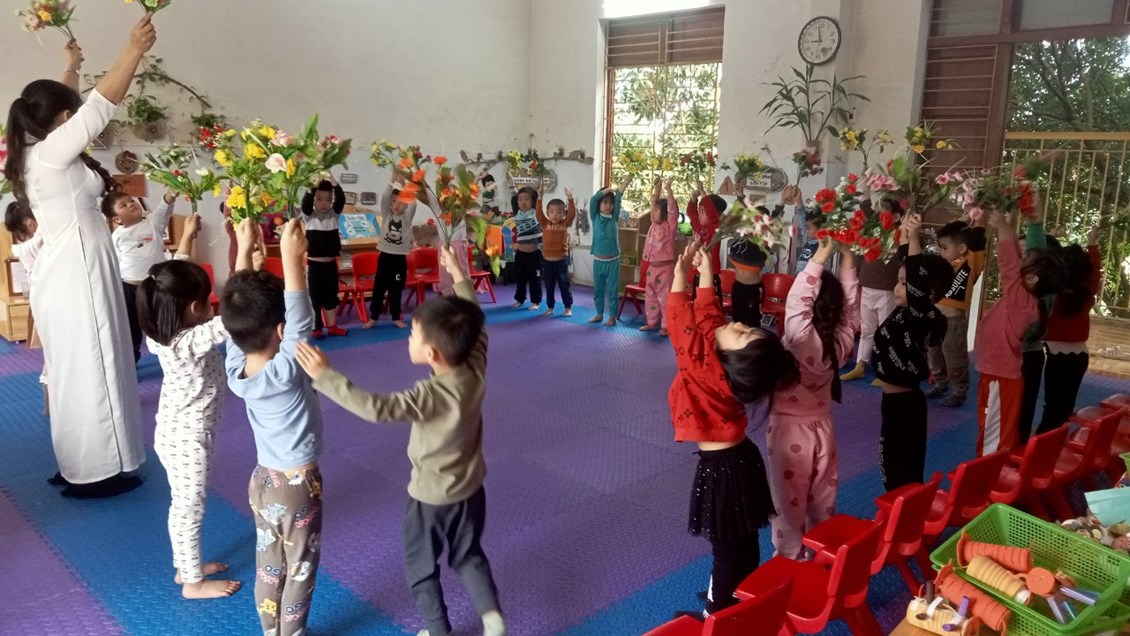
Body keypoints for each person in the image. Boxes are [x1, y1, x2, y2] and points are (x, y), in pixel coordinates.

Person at [295, 245, 506, 636]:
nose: (408, 339)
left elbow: (377, 408)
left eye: (413, 335)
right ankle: (492, 617)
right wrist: (458, 273)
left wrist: (326, 377)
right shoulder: (475, 365)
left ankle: (437, 630)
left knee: (420, 566)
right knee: (468, 555)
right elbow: (476, 322)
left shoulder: (429, 395)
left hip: (430, 499)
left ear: (432, 353)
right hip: (471, 491)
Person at [5, 18, 156, 498]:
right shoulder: (51, 153)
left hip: (68, 268)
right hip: (79, 270)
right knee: (96, 363)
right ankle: (97, 471)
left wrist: (71, 65)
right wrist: (132, 49)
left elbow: (70, 105)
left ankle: (80, 462)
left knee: (76, 367)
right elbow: (99, 105)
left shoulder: (34, 151)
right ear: (62, 119)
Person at [667, 240, 789, 615]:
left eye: (742, 334)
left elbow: (681, 323)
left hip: (721, 472)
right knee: (743, 540)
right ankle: (740, 596)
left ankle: (716, 615)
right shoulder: (720, 363)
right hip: (739, 461)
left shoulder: (705, 369)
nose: (737, 324)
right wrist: (706, 274)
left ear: (732, 359)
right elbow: (709, 321)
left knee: (725, 549)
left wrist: (679, 276)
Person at [223, 218, 324, 634]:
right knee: (300, 567)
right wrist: (290, 259)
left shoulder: (236, 366)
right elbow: (300, 321)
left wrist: (244, 251)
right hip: (297, 485)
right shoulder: (286, 370)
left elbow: (235, 313)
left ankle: (271, 630)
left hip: (262, 480)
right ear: (280, 332)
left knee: (269, 563)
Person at [137, 213, 242, 599]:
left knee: (188, 504)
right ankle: (192, 581)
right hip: (188, 438)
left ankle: (188, 565)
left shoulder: (162, 330)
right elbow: (234, 315)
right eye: (205, 299)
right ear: (193, 309)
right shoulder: (188, 343)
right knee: (189, 507)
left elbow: (170, 274)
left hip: (177, 431)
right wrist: (244, 251)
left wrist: (187, 237)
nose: (211, 302)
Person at [767, 237, 859, 559]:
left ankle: (790, 559)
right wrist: (847, 258)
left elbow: (797, 299)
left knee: (787, 505)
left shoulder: (799, 339)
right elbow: (850, 311)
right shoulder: (841, 343)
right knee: (821, 500)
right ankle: (820, 555)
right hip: (823, 431)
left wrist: (822, 254)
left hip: (788, 434)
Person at [870, 214, 953, 491]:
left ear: (927, 292)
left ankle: (905, 515)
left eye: (905, 284)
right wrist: (905, 238)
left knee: (901, 472)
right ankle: (902, 512)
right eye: (899, 281)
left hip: (905, 406)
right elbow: (910, 269)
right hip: (894, 403)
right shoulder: (907, 312)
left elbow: (917, 282)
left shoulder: (922, 316)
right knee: (891, 467)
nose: (897, 287)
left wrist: (916, 238)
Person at [973, 210, 1063, 456]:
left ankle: (989, 479)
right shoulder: (1022, 298)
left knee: (994, 440)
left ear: (1032, 277)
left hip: (1001, 379)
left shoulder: (1022, 302)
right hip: (995, 375)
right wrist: (1009, 227)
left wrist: (1003, 228)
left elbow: (1008, 266)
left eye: (1026, 258)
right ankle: (990, 474)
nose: (1020, 257)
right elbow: (1013, 265)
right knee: (991, 431)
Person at [1035, 227, 1102, 434]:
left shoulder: (1051, 292)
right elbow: (1095, 272)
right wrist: (1092, 242)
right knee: (1065, 410)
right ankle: (1055, 444)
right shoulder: (1086, 292)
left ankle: (1042, 445)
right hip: (1080, 356)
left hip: (1057, 358)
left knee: (1052, 409)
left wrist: (1051, 238)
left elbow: (1040, 265)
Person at [106, 189, 178, 362]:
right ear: (117, 219)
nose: (131, 204)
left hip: (155, 286)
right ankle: (132, 360)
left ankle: (172, 356)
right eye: (123, 205)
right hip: (129, 288)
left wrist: (173, 192)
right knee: (132, 329)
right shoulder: (116, 237)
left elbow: (164, 205)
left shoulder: (153, 222)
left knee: (163, 322)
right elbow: (114, 262)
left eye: (131, 200)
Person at [842, 200, 903, 381]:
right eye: (877, 212)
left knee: (886, 331)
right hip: (867, 287)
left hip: (887, 290)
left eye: (882, 212)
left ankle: (886, 372)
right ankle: (860, 365)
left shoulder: (899, 236)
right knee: (866, 330)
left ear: (896, 217)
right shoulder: (872, 233)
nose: (877, 216)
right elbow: (860, 255)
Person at [926, 220, 986, 407]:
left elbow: (978, 243)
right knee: (934, 354)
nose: (941, 252)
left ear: (961, 248)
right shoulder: (939, 266)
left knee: (954, 356)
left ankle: (959, 390)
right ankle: (940, 383)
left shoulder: (970, 264)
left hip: (954, 322)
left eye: (945, 248)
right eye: (940, 247)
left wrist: (979, 219)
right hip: (935, 319)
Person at [300, 174, 348, 338]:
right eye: (319, 199)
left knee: (330, 296)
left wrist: (333, 180)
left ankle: (332, 326)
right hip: (314, 266)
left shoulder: (334, 215)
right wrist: (314, 185)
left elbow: (341, 199)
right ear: (314, 200)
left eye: (328, 200)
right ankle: (316, 328)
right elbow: (305, 203)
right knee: (314, 297)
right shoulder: (309, 216)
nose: (323, 203)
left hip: (330, 265)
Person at [365, 180, 417, 329]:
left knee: (396, 289)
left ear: (406, 205)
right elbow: (385, 198)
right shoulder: (386, 214)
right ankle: (374, 317)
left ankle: (396, 317)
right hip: (385, 257)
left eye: (401, 202)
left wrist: (408, 186)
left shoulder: (406, 218)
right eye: (394, 201)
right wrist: (391, 183)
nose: (397, 205)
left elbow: (413, 204)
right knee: (378, 288)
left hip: (399, 259)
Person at [588, 176, 632, 326]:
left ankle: (612, 317)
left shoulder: (614, 217)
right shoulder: (595, 217)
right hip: (598, 261)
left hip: (613, 261)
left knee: (612, 291)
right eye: (605, 202)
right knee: (598, 290)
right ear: (599, 204)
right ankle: (599, 313)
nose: (608, 206)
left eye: (610, 203)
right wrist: (606, 191)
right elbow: (593, 200)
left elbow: (618, 198)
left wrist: (624, 185)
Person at [640, 177, 678, 335]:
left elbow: (672, 211)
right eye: (653, 210)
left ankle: (665, 326)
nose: (653, 212)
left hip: (665, 269)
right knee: (650, 297)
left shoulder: (669, 227)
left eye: (656, 211)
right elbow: (653, 201)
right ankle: (651, 322)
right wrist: (658, 187)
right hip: (652, 268)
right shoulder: (653, 224)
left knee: (664, 298)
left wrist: (668, 190)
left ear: (665, 215)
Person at [537, 185, 577, 317]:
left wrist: (570, 198)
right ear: (548, 213)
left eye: (559, 212)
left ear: (564, 214)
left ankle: (568, 307)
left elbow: (572, 214)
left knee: (564, 285)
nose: (555, 214)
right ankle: (550, 307)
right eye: (552, 212)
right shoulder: (545, 223)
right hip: (547, 261)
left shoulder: (564, 224)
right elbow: (538, 213)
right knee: (549, 286)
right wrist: (540, 198)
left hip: (561, 261)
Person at [510, 185, 542, 310]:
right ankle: (520, 299)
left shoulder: (536, 213)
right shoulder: (517, 214)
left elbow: (539, 200)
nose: (523, 202)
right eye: (520, 199)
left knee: (535, 279)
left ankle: (535, 301)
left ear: (533, 201)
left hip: (535, 254)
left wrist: (540, 194)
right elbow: (513, 197)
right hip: (521, 254)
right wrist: (511, 184)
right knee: (520, 279)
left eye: (527, 199)